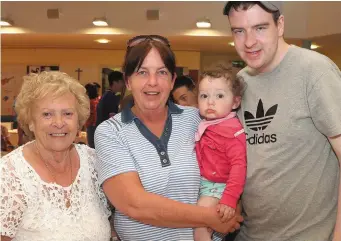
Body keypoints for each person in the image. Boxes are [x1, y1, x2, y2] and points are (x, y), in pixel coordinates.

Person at [94, 35, 243, 241]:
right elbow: (135, 204)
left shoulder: (197, 120)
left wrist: (232, 203)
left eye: (161, 72)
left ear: (173, 80)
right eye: (142, 72)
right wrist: (209, 217)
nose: (152, 82)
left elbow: (232, 162)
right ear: (128, 81)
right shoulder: (111, 132)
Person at [223, 2, 341, 241]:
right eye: (239, 31)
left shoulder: (315, 71)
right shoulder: (240, 81)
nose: (249, 41)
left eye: (260, 28)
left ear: (280, 25)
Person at [0, 71, 111, 241]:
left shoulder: (95, 163)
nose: (59, 123)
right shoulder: (9, 175)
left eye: (67, 113)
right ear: (31, 121)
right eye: (47, 114)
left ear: (78, 119)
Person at [194, 69, 247, 241]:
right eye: (204, 96)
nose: (210, 102)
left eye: (219, 96)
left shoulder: (232, 131)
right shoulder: (208, 124)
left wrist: (229, 200)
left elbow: (239, 167)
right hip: (205, 183)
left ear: (235, 102)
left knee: (200, 223)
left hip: (219, 186)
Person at [84, 82, 100, 148]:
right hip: (96, 124)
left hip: (91, 124)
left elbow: (88, 114)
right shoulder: (98, 100)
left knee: (91, 144)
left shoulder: (90, 102)